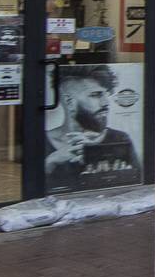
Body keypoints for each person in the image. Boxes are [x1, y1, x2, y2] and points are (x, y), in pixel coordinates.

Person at [45, 64, 139, 192]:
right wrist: (51, 162)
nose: (106, 103)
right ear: (69, 102)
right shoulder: (42, 142)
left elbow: (136, 185)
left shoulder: (119, 139)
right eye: (96, 95)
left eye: (106, 94)